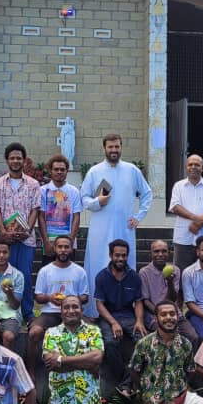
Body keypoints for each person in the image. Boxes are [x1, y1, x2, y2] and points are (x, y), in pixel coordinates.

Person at [80, 133, 152, 317]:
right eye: (110, 147)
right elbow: (84, 198)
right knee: (98, 265)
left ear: (121, 147)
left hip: (124, 228)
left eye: (117, 147)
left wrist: (138, 216)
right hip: (100, 229)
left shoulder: (132, 170)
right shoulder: (95, 171)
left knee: (124, 266)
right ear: (104, 148)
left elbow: (147, 193)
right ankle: (95, 312)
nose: (114, 150)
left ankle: (125, 310)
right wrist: (98, 202)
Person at [42, 295, 105, 404]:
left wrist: (63, 360)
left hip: (88, 398)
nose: (71, 310)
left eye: (75, 307)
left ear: (82, 310)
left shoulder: (93, 331)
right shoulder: (51, 333)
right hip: (61, 399)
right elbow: (51, 363)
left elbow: (97, 358)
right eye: (67, 307)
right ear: (61, 312)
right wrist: (85, 363)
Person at [0, 142, 40, 320]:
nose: (16, 161)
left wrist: (27, 230)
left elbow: (35, 209)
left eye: (19, 158)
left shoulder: (33, 184)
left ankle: (27, 313)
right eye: (12, 158)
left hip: (26, 239)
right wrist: (3, 232)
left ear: (24, 161)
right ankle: (3, 312)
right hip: (4, 240)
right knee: (4, 275)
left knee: (24, 275)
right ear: (7, 160)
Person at [27, 234, 89, 374]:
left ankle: (90, 372)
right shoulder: (45, 271)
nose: (63, 250)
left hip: (73, 313)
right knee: (34, 333)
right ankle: (30, 373)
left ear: (71, 249)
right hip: (50, 312)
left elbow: (85, 297)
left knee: (94, 330)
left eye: (66, 247)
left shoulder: (79, 271)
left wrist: (71, 301)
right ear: (54, 249)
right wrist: (50, 297)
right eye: (60, 247)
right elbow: (38, 296)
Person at [93, 238, 146, 396]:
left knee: (144, 341)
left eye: (124, 255)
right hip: (108, 316)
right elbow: (100, 305)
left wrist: (139, 321)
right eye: (117, 255)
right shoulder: (102, 276)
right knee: (109, 343)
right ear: (110, 255)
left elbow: (138, 302)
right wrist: (113, 323)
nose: (121, 259)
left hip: (128, 316)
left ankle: (126, 384)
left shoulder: (134, 276)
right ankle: (127, 381)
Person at [138, 238, 198, 346]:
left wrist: (169, 282)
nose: (160, 254)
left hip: (173, 313)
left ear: (169, 253)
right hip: (153, 314)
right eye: (156, 251)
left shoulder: (175, 270)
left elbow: (172, 299)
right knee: (169, 336)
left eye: (164, 251)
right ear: (151, 253)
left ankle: (188, 362)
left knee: (192, 336)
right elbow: (145, 301)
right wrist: (160, 312)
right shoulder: (144, 272)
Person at [168, 154, 203, 273]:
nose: (193, 167)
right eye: (190, 164)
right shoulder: (178, 186)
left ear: (202, 168)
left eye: (197, 165)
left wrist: (199, 223)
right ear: (186, 167)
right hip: (184, 238)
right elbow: (175, 207)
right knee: (181, 274)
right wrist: (195, 218)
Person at [39, 153, 82, 263]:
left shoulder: (74, 191)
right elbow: (41, 217)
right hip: (49, 242)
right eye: (56, 169)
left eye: (62, 169)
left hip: (68, 242)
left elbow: (76, 217)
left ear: (67, 171)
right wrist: (46, 241)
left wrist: (70, 241)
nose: (59, 172)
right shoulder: (43, 191)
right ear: (50, 171)